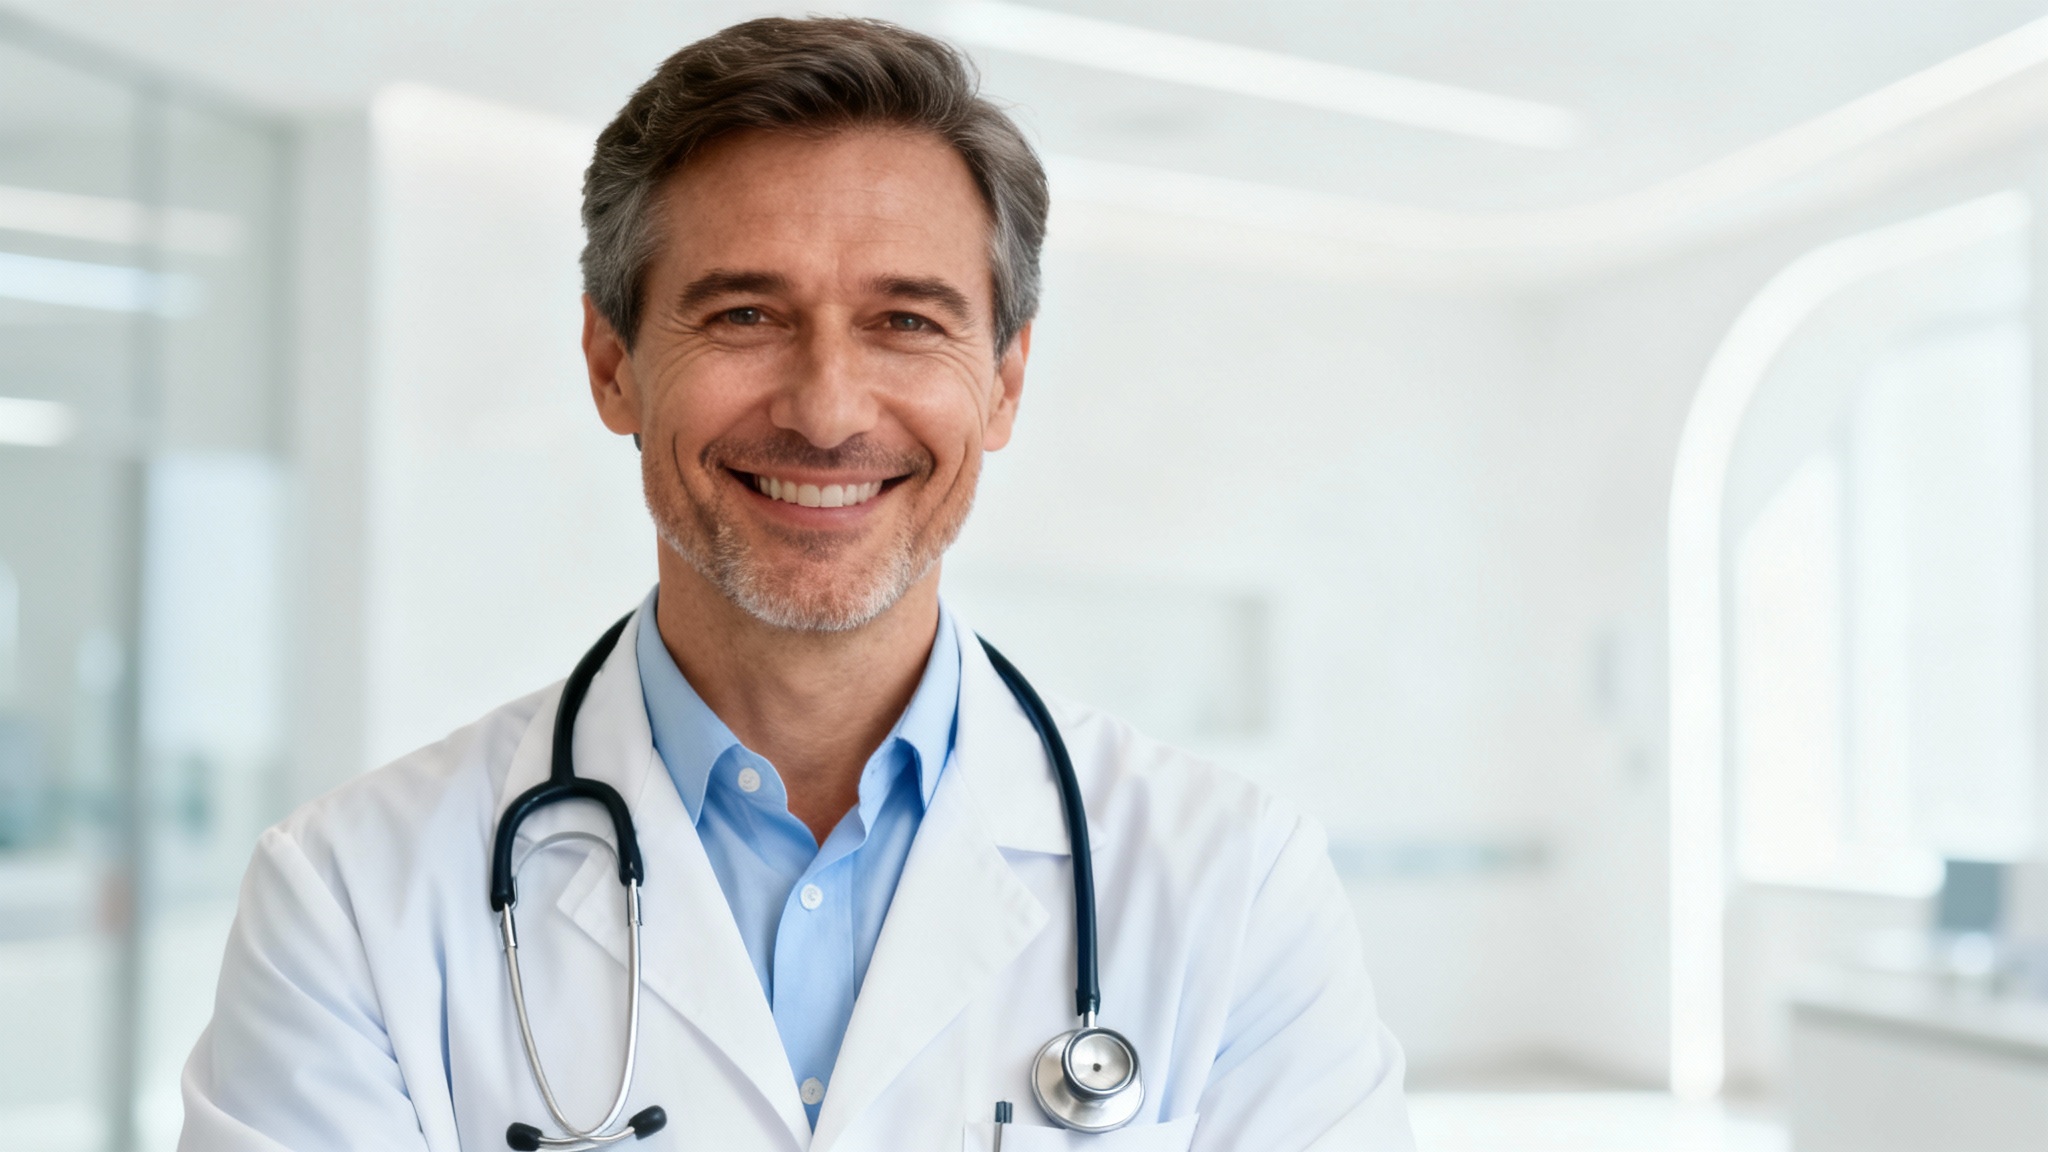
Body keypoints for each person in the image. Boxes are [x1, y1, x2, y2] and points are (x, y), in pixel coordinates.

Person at [179, 17, 1411, 1151]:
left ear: (1005, 381)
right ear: (612, 363)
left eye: (907, 323)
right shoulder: (350, 898)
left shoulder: (1230, 883)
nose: (826, 410)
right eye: (745, 314)